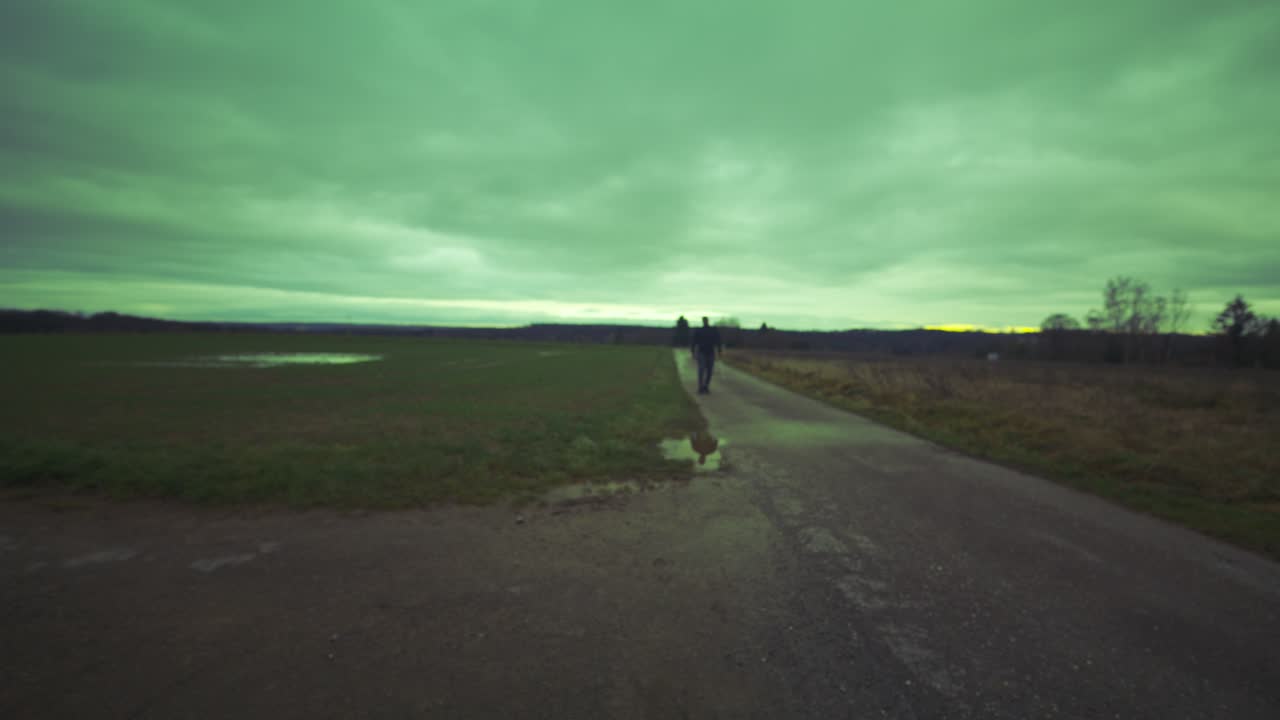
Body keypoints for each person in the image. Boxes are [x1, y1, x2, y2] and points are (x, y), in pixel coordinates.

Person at [690, 317, 723, 394]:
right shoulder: (699, 330)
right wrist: (693, 352)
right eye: (704, 320)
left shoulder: (713, 330)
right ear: (703, 321)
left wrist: (719, 351)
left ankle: (706, 386)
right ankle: (701, 387)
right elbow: (694, 342)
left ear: (707, 321)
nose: (705, 321)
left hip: (710, 352)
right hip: (702, 352)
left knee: (709, 371)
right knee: (701, 369)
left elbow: (718, 341)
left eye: (706, 320)